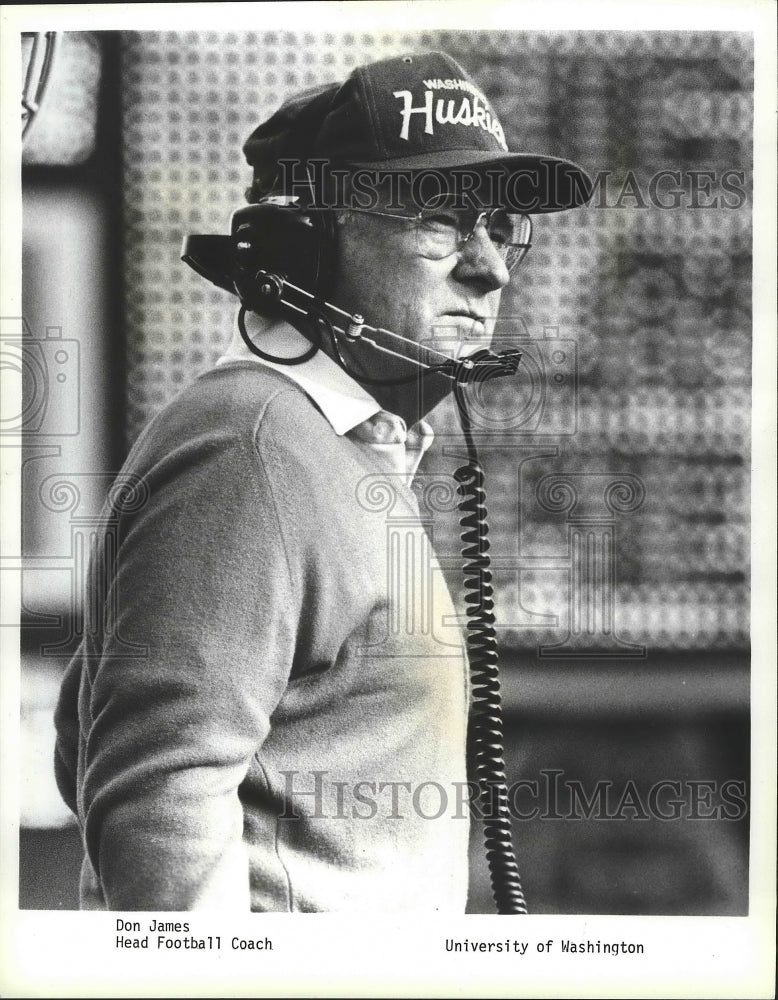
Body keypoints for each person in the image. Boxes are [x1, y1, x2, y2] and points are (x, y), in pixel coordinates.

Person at [54, 50, 591, 912]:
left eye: (499, 226)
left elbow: (83, 732)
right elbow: (159, 800)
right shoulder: (247, 451)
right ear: (303, 244)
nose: (488, 267)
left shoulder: (328, 447)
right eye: (442, 221)